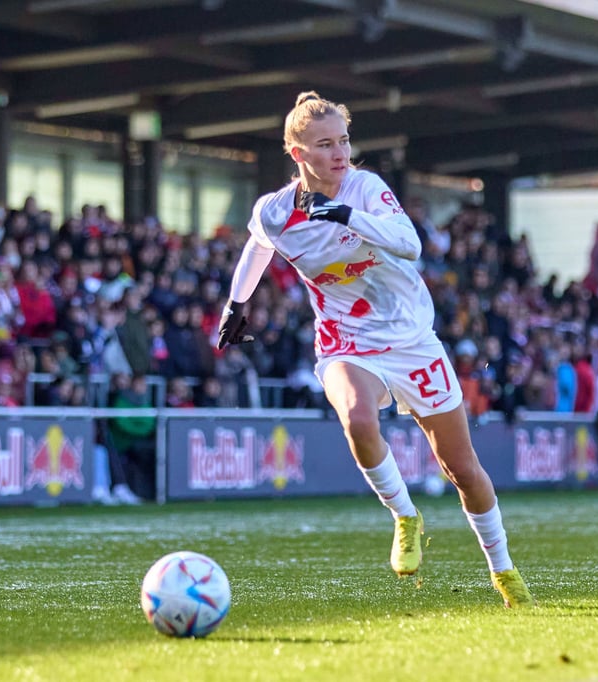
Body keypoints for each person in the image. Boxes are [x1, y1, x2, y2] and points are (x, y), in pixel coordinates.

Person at [216, 91, 532, 608]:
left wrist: (343, 214)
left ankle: (503, 570)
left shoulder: (364, 189)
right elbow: (258, 243)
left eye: (343, 140)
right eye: (325, 144)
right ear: (298, 155)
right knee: (359, 419)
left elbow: (410, 244)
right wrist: (237, 303)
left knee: (462, 470)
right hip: (346, 339)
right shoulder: (274, 210)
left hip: (410, 339)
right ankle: (405, 515)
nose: (339, 152)